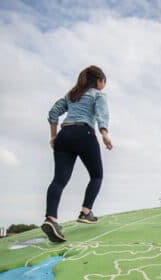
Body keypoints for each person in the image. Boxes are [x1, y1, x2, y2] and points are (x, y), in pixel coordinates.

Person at [41, 65, 113, 243]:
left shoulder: (71, 95)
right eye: (104, 81)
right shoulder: (98, 94)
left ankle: (51, 219)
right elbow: (102, 115)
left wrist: (53, 136)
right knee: (97, 175)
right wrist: (104, 134)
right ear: (99, 81)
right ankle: (86, 212)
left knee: (59, 180)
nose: (104, 85)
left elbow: (53, 114)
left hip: (64, 135)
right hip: (84, 133)